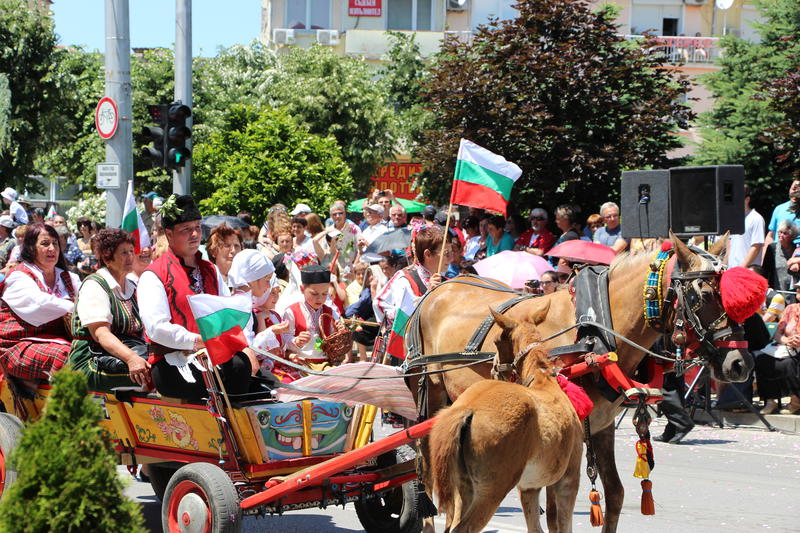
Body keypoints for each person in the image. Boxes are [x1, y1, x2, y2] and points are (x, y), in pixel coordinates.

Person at [137, 195, 252, 400]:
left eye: (197, 227)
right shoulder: (154, 275)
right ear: (169, 234)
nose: (195, 234)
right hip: (172, 360)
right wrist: (196, 341)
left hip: (213, 354)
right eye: (186, 229)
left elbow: (226, 311)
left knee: (241, 365)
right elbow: (157, 328)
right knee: (212, 375)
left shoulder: (210, 270)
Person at [69, 228, 151, 392]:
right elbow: (101, 334)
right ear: (107, 258)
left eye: (131, 251)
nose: (130, 256)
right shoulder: (95, 285)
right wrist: (132, 359)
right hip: (91, 360)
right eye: (124, 253)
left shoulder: (132, 286)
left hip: (122, 354)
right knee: (156, 375)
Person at [0, 223, 80, 381]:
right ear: (31, 248)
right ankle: (67, 395)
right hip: (16, 345)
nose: (52, 248)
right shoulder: (19, 276)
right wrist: (80, 309)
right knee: (66, 355)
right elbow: (40, 303)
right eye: (45, 244)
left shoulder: (70, 278)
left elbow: (89, 298)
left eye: (55, 243)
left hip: (59, 341)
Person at [374, 225, 447, 325]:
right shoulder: (405, 279)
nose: (450, 257)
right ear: (428, 254)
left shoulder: (446, 280)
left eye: (451, 251)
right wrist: (427, 295)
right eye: (445, 252)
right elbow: (380, 304)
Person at [282, 265, 345, 372]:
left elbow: (335, 342)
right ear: (302, 289)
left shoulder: (331, 312)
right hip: (300, 363)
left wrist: (339, 332)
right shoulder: (291, 312)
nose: (320, 298)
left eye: (324, 294)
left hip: (326, 363)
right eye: (314, 293)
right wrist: (296, 341)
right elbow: (284, 339)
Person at [756, 285, 800, 415]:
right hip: (787, 346)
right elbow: (777, 333)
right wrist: (786, 340)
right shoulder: (790, 308)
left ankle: (795, 401)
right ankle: (770, 401)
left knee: (790, 363)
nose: (797, 289)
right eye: (797, 287)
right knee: (762, 359)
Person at [728, 184, 765, 268]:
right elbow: (730, 247)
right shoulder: (734, 219)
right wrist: (725, 266)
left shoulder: (756, 218)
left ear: (747, 199)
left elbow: (756, 247)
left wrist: (741, 268)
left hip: (747, 271)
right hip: (732, 270)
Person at [762, 220, 798, 296]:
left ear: (792, 236)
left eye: (785, 233)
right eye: (780, 232)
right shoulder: (772, 248)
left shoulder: (796, 249)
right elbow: (765, 270)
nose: (781, 235)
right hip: (776, 292)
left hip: (793, 293)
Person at [206, 224, 243, 291]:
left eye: (236, 246)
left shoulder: (248, 281)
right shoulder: (205, 280)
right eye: (227, 245)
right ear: (213, 251)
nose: (233, 250)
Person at [765, 178, 800, 249]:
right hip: (778, 253)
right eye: (794, 189)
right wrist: (766, 253)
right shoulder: (779, 209)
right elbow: (770, 235)